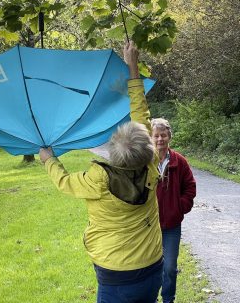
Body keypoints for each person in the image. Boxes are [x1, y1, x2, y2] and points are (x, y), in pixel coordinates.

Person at [39, 41, 163, 303]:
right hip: (153, 263)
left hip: (115, 270)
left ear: (113, 152)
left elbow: (64, 182)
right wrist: (132, 68)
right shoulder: (151, 163)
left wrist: (49, 160)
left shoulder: (98, 178)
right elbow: (142, 115)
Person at [151, 118, 196, 303]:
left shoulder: (180, 161)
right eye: (156, 135)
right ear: (150, 137)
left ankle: (168, 299)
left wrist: (179, 208)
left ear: (169, 136)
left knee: (169, 267)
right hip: (148, 226)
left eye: (163, 135)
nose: (160, 139)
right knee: (149, 267)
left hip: (171, 226)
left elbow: (190, 187)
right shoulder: (145, 161)